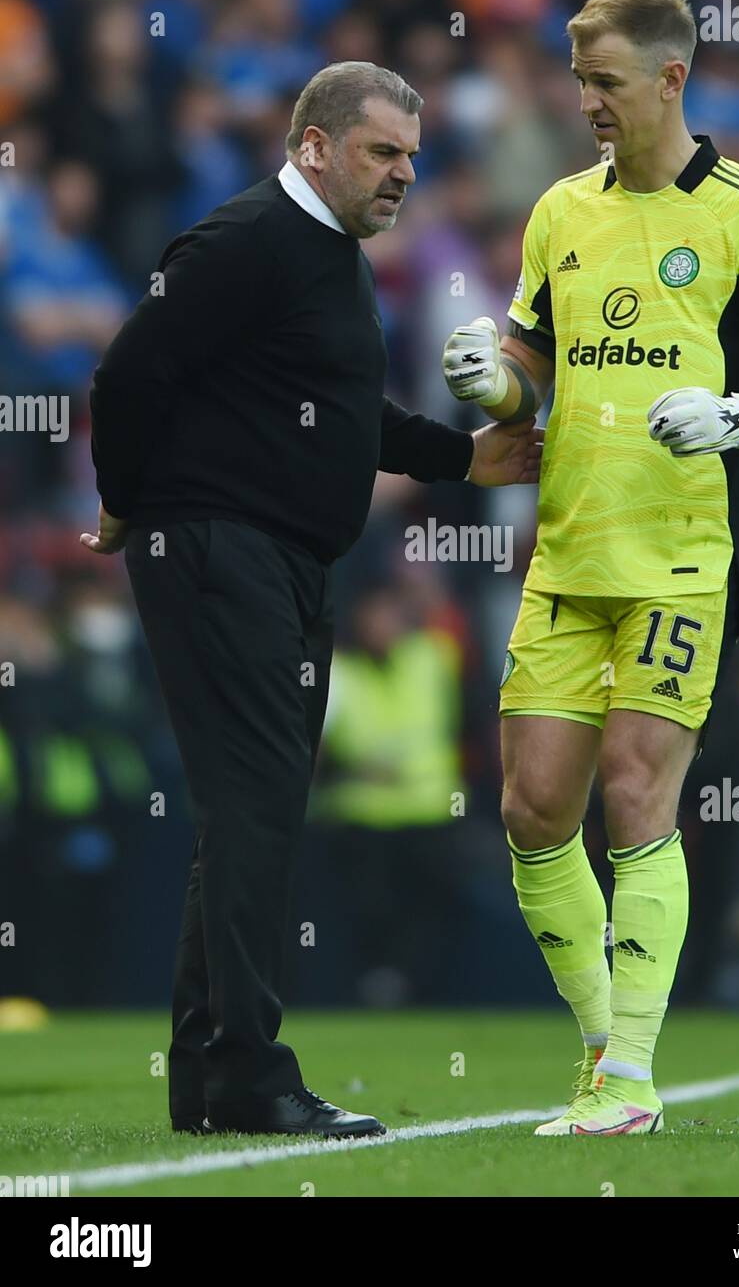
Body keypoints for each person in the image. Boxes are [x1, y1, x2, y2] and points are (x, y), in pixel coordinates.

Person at [81, 61, 541, 1138]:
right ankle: (247, 1069)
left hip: (280, 560)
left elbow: (337, 410)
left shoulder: (325, 256)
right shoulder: (242, 242)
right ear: (314, 147)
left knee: (253, 810)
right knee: (254, 804)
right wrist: (123, 502)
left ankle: (209, 1074)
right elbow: (127, 374)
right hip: (219, 550)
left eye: (413, 157)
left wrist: (459, 457)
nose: (404, 176)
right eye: (384, 152)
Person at [441, 0, 739, 1135]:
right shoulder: (559, 212)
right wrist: (491, 379)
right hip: (569, 548)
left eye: (607, 83)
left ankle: (629, 1077)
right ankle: (599, 1049)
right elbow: (530, 360)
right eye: (580, 82)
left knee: (636, 788)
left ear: (672, 80)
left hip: (689, 552)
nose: (588, 105)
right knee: (531, 811)